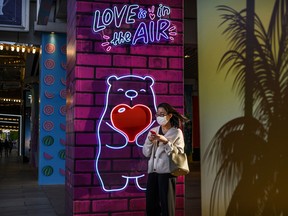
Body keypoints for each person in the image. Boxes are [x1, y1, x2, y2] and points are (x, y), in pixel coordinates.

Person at [142, 102, 189, 216]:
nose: (159, 117)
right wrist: (149, 141)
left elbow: (179, 153)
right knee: (151, 207)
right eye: (157, 114)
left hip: (167, 173)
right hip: (153, 172)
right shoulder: (153, 130)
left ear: (169, 116)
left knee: (167, 206)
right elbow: (146, 153)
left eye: (162, 114)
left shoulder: (176, 132)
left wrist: (166, 142)